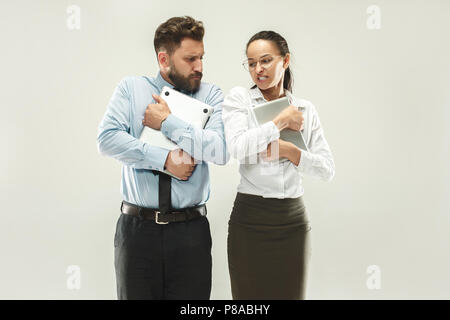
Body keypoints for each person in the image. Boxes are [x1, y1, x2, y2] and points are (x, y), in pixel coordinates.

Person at [97, 16, 228, 300]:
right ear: (163, 59)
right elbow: (108, 139)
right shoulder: (131, 89)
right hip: (137, 233)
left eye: (202, 57)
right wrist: (164, 159)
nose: (199, 67)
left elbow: (219, 150)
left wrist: (167, 122)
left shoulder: (212, 95)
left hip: (191, 233)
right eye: (190, 59)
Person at [222, 30, 335, 300]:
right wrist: (280, 122)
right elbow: (237, 148)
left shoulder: (305, 109)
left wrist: (292, 152)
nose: (258, 69)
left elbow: (327, 169)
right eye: (251, 63)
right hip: (250, 219)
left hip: (292, 220)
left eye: (265, 61)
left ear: (285, 61)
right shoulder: (240, 100)